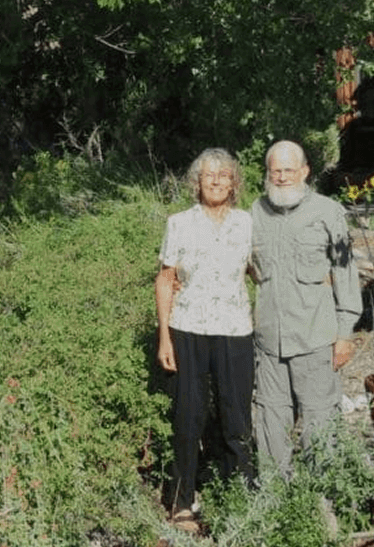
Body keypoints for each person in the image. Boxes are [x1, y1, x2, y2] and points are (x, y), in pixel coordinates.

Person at [249, 139, 363, 475]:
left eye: (288, 170)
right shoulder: (255, 212)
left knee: (320, 420)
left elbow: (345, 275)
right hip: (269, 341)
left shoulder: (329, 212)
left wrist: (345, 334)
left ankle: (322, 499)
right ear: (267, 174)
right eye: (275, 171)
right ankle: (274, 501)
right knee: (270, 418)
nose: (282, 178)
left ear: (304, 171)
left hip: (315, 338)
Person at [155, 148, 255, 519]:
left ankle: (240, 500)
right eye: (208, 175)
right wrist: (165, 337)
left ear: (234, 183)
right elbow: (165, 280)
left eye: (224, 175)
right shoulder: (179, 223)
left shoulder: (247, 222)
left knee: (236, 417)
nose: (216, 181)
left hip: (235, 330)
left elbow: (257, 271)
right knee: (187, 415)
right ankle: (183, 500)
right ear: (196, 182)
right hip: (189, 328)